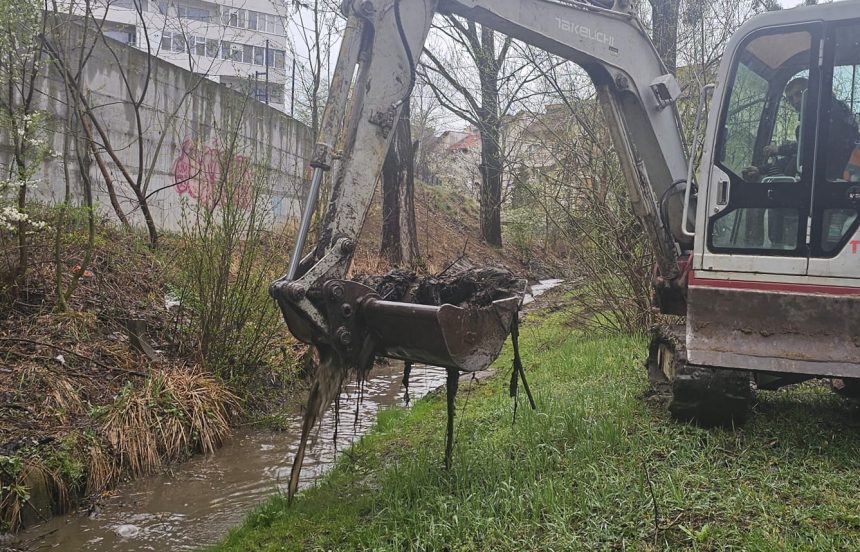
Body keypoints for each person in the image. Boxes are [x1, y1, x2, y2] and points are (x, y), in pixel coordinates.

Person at [743, 77, 860, 182]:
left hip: (832, 182)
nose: (795, 101)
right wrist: (761, 169)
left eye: (799, 93)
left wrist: (780, 149)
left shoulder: (832, 112)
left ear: (812, 91)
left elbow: (815, 146)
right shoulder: (813, 119)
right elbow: (801, 155)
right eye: (790, 98)